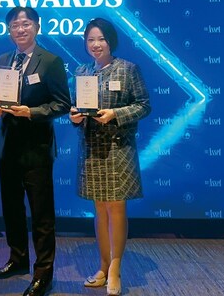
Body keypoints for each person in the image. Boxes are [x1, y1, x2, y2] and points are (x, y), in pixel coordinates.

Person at [0, 6, 71, 296]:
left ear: (36, 26)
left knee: (41, 215)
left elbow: (62, 104)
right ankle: (18, 260)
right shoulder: (3, 60)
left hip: (37, 148)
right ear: (9, 30)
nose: (19, 29)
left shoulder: (51, 61)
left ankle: (43, 273)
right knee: (12, 209)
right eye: (14, 25)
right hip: (8, 147)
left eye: (25, 24)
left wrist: (31, 112)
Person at [69, 18, 151, 296]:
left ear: (110, 41)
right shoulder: (81, 71)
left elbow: (143, 106)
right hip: (92, 149)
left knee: (116, 206)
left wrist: (115, 114)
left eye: (101, 39)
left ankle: (115, 268)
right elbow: (76, 108)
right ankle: (103, 266)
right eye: (90, 40)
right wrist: (75, 116)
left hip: (119, 147)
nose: (95, 44)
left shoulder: (128, 69)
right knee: (100, 208)